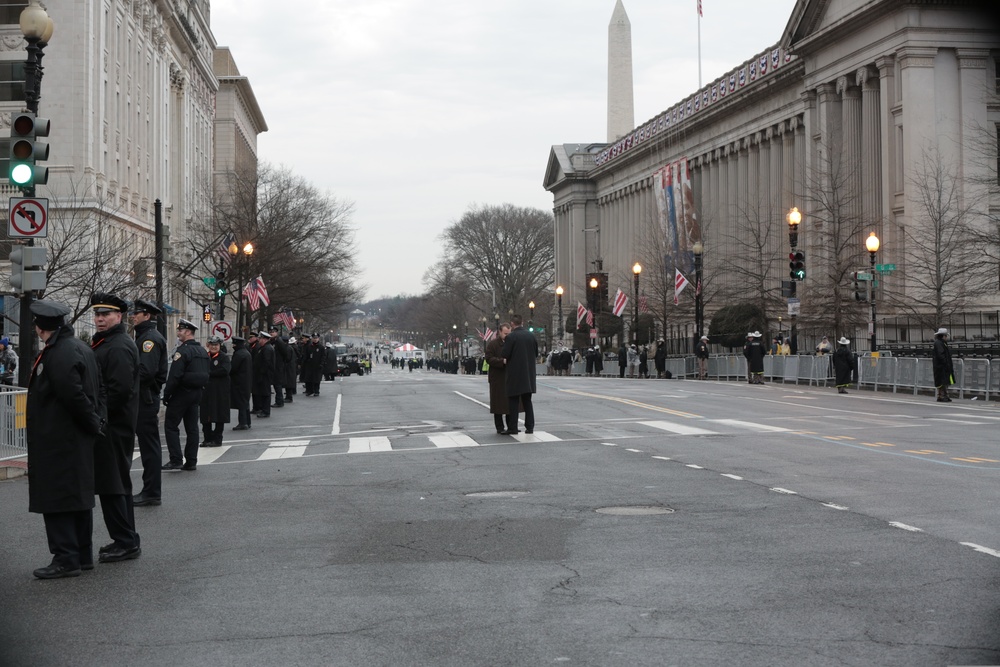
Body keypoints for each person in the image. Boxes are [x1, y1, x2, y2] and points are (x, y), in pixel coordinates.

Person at [26, 300, 104, 579]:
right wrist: (95, 423)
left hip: (58, 437)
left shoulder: (59, 352)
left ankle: (65, 558)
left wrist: (92, 423)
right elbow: (98, 390)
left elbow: (73, 396)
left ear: (41, 327)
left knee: (58, 499)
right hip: (75, 437)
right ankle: (81, 555)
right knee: (77, 497)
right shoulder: (81, 348)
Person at [89, 293, 141, 564]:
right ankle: (126, 538)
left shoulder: (117, 346)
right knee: (117, 484)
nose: (99, 319)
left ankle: (126, 541)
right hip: (113, 425)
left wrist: (99, 418)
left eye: (105, 314)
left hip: (113, 426)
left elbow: (118, 391)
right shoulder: (109, 343)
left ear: (118, 316)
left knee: (112, 486)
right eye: (97, 314)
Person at [130, 299, 168, 507]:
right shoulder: (146, 337)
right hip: (144, 397)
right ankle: (150, 490)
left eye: (137, 313)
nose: (133, 316)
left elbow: (146, 372)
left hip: (145, 398)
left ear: (147, 315)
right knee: (148, 446)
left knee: (149, 447)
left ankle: (151, 491)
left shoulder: (149, 340)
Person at [162, 319, 210, 471]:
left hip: (181, 393)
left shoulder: (182, 351)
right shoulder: (203, 351)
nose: (178, 333)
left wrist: (167, 394)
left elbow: (175, 375)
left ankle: (176, 459)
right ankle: (191, 460)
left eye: (181, 330)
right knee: (192, 428)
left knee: (170, 425)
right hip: (197, 393)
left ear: (188, 332)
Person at [501, 315, 538, 434]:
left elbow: (505, 354)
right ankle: (530, 426)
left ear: (512, 323)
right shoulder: (531, 336)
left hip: (515, 373)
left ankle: (513, 427)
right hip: (529, 373)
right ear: (522, 322)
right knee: (527, 401)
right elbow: (536, 353)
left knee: (513, 401)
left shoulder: (511, 337)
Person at [200, 336, 231, 445]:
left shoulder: (223, 358)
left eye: (216, 345)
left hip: (219, 392)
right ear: (208, 345)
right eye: (211, 345)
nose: (213, 347)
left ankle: (217, 439)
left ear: (219, 346)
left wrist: (208, 373)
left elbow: (224, 370)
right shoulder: (204, 357)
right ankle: (207, 438)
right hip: (206, 392)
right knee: (205, 416)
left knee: (218, 416)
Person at [485, 324, 514, 434]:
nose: (507, 335)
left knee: (509, 404)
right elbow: (488, 359)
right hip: (497, 377)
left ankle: (511, 425)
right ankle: (499, 427)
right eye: (505, 333)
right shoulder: (493, 344)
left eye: (509, 333)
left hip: (509, 377)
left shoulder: (511, 343)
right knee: (498, 405)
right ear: (500, 332)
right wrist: (501, 361)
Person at [229, 336, 253, 430]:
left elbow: (233, 368)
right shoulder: (246, 353)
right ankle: (247, 421)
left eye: (234, 344)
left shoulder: (239, 354)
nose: (233, 346)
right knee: (245, 402)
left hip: (239, 382)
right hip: (246, 381)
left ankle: (243, 422)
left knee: (241, 403)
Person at [251, 331, 275, 417]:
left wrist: (261, 373)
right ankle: (263, 409)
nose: (259, 340)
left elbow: (266, 363)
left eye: (260, 339)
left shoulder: (267, 349)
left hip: (265, 375)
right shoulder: (263, 348)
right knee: (262, 392)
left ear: (264, 339)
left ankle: (266, 411)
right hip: (262, 374)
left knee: (265, 393)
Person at [932, 327, 954, 402]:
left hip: (941, 366)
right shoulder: (940, 343)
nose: (946, 337)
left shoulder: (940, 343)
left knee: (944, 381)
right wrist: (945, 362)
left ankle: (943, 395)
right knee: (942, 381)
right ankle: (942, 396)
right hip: (941, 366)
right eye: (946, 336)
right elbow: (941, 355)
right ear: (943, 336)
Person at [267, 326, 286, 408]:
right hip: (273, 365)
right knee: (275, 384)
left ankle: (279, 401)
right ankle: (278, 400)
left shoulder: (279, 341)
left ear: (276, 333)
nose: (271, 333)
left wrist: (281, 363)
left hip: (278, 366)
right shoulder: (271, 341)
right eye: (270, 331)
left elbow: (285, 354)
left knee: (277, 384)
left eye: (273, 331)